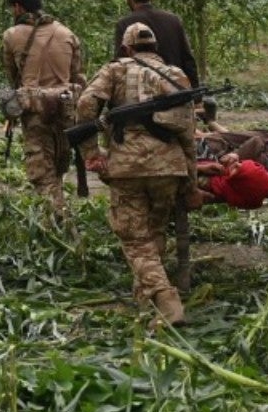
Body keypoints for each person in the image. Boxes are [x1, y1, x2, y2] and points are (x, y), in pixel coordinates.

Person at [75, 22, 197, 327]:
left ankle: (165, 299)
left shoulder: (115, 70)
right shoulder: (175, 75)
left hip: (128, 167)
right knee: (154, 232)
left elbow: (85, 103)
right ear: (155, 48)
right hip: (168, 166)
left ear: (126, 49)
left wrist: (91, 154)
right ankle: (145, 300)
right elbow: (187, 133)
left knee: (134, 239)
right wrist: (191, 181)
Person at [1, 0, 84, 219]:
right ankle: (58, 210)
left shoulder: (11, 36)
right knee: (59, 163)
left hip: (35, 111)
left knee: (41, 170)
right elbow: (78, 75)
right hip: (66, 109)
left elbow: (12, 76)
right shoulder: (67, 33)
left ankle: (58, 219)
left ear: (18, 7)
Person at [111, 0, 199, 86]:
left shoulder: (124, 24)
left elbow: (119, 67)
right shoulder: (173, 20)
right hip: (176, 95)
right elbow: (189, 63)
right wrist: (196, 98)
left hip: (140, 98)